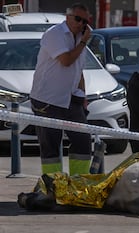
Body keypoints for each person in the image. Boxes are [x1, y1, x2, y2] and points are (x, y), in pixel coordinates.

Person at [30, 3, 92, 175]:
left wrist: (83, 97)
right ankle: (53, 184)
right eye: (78, 19)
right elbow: (66, 60)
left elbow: (78, 71)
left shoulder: (80, 38)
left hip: (72, 98)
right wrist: (84, 41)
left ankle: (78, 183)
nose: (81, 24)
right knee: (51, 144)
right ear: (68, 17)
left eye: (85, 21)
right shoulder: (54, 34)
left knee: (83, 142)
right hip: (48, 99)